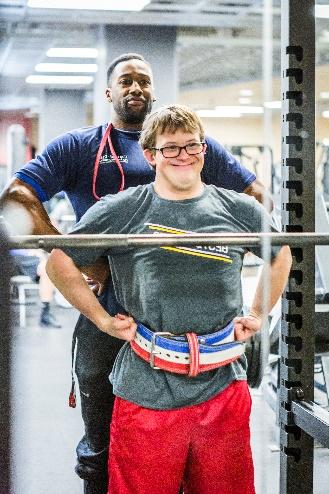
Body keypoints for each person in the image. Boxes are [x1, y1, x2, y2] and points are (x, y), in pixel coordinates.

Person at [0, 53, 272, 494]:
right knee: (101, 444)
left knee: (191, 446)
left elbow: (257, 200)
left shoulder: (193, 147)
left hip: (183, 315)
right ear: (108, 93)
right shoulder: (78, 147)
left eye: (144, 81)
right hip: (108, 313)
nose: (135, 88)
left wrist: (214, 255)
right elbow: (16, 199)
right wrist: (90, 262)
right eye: (125, 81)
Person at [46, 104, 291, 494]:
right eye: (171, 148)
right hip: (147, 388)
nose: (183, 156)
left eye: (192, 146)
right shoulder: (123, 209)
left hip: (224, 386)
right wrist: (102, 320)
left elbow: (280, 253)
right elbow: (59, 261)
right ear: (151, 155)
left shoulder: (237, 208)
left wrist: (260, 312)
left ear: (204, 151)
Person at [10, 249, 61, 328]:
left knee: (48, 266)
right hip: (10, 257)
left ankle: (45, 312)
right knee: (45, 266)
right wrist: (28, 252)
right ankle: (45, 314)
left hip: (20, 256)